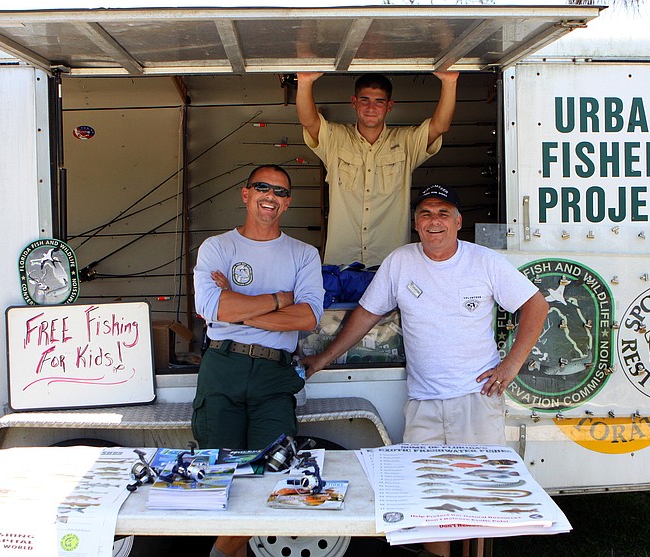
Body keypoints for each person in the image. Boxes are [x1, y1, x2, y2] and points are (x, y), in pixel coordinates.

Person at [301, 184, 549, 557]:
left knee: (478, 497)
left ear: (459, 221)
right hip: (424, 404)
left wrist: (511, 365)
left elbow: (536, 306)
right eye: (426, 214)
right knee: (429, 501)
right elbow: (367, 315)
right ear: (416, 223)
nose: (435, 221)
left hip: (476, 400)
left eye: (443, 213)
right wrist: (323, 358)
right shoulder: (401, 261)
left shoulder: (483, 261)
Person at [193, 164, 324, 557]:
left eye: (281, 191)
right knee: (218, 479)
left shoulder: (303, 253)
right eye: (262, 187)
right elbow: (209, 305)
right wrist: (279, 300)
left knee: (272, 476)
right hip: (223, 368)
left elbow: (308, 318)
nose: (272, 195)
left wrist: (238, 310)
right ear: (245, 193)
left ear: (287, 202)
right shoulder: (217, 247)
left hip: (274, 373)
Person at [296, 71, 459, 267]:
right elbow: (309, 121)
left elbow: (440, 126)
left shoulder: (406, 142)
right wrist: (304, 81)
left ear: (389, 106)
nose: (371, 107)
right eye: (364, 100)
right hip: (341, 264)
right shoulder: (335, 139)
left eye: (379, 101)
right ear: (354, 102)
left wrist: (449, 81)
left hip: (390, 263)